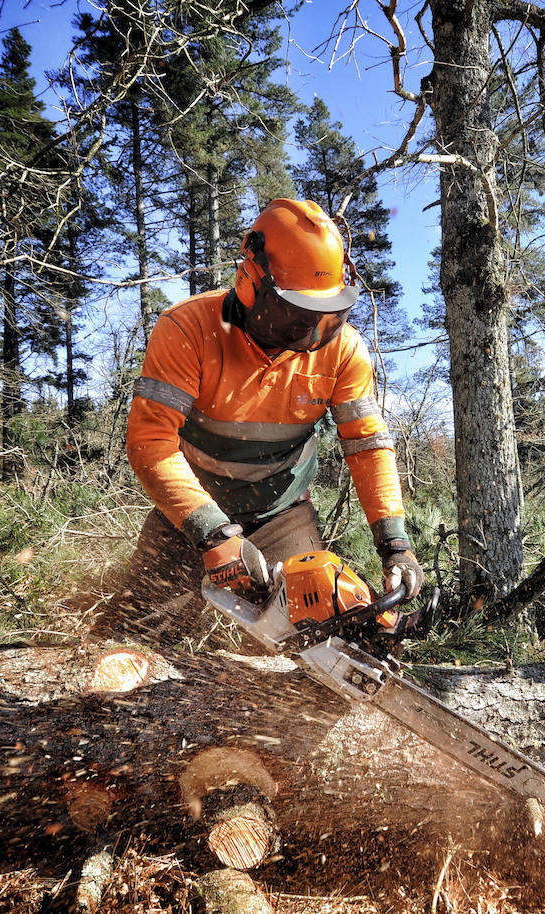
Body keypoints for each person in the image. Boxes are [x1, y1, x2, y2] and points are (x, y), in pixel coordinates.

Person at [94, 198, 423, 646]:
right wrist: (210, 531)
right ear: (251, 282)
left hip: (281, 512)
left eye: (325, 316)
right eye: (297, 316)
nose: (311, 335)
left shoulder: (344, 351)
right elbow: (151, 439)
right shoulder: (189, 328)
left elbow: (366, 445)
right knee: (132, 636)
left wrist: (395, 544)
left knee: (319, 627)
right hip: (190, 510)